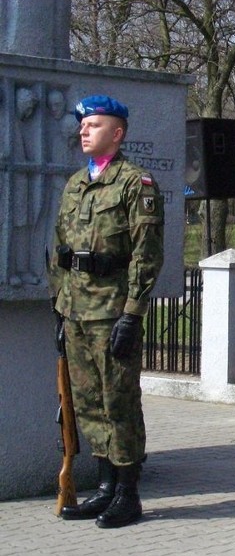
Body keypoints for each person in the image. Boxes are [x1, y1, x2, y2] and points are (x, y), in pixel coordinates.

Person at [49, 95, 164, 529]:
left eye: (93, 125)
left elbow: (146, 255)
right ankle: (103, 487)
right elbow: (61, 251)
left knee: (119, 400)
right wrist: (59, 306)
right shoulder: (76, 184)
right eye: (82, 125)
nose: (83, 131)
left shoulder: (137, 184)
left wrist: (132, 313)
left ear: (117, 133)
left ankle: (127, 493)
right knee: (87, 402)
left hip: (112, 311)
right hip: (76, 310)